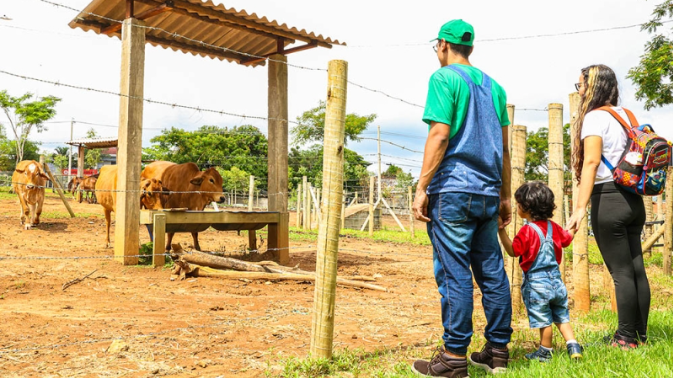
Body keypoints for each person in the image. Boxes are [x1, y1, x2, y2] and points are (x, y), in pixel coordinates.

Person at [411, 19, 513, 377]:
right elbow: (504, 147)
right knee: (492, 272)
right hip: (487, 193)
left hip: (452, 190)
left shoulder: (444, 79)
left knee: (454, 274)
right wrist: (504, 196)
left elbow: (439, 135)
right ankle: (498, 351)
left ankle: (453, 358)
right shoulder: (495, 87)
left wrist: (422, 186)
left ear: (442, 45)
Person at [566, 64, 650, 349]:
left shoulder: (594, 118)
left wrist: (579, 208)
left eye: (581, 85)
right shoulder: (627, 115)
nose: (579, 91)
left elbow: (591, 163)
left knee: (621, 273)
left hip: (609, 199)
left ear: (593, 87)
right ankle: (639, 334)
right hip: (633, 200)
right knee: (636, 268)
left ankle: (625, 338)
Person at [498, 181, 583, 361]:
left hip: (537, 284)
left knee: (544, 320)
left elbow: (513, 251)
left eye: (518, 205)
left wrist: (501, 231)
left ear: (526, 208)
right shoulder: (554, 227)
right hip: (556, 281)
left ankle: (545, 351)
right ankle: (573, 345)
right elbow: (566, 240)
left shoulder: (526, 231)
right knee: (561, 315)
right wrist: (574, 228)